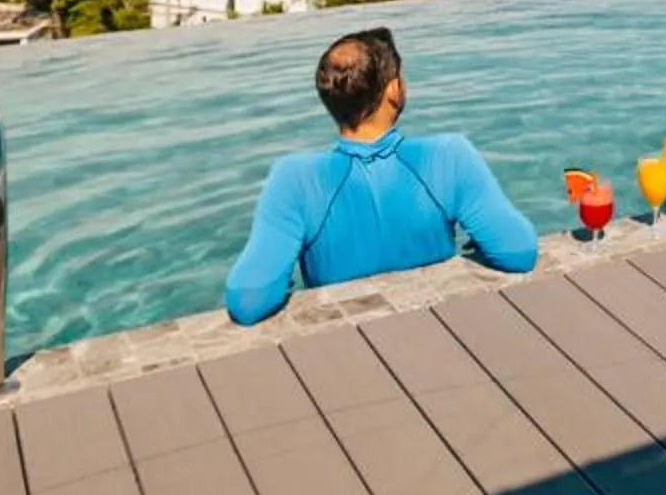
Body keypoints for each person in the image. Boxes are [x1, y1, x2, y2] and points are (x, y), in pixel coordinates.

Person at [224, 29, 537, 324]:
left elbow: (248, 301)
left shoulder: (295, 180)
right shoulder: (448, 156)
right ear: (393, 90)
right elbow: (518, 251)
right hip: (442, 334)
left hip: (348, 351)